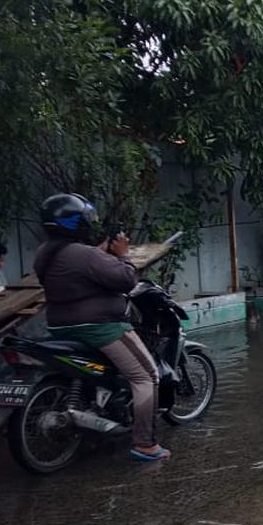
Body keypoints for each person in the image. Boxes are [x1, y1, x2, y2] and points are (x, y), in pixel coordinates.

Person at [34, 194, 169, 462]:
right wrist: (123, 255)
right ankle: (145, 444)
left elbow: (83, 275)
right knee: (146, 377)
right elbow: (126, 279)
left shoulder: (46, 253)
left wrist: (102, 252)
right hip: (100, 327)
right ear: (76, 224)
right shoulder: (81, 254)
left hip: (60, 326)